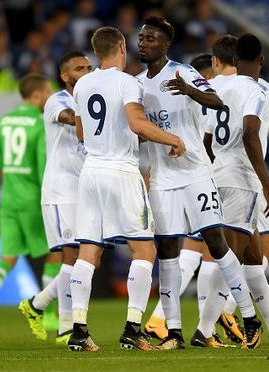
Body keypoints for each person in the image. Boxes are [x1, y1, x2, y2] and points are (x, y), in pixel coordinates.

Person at [137, 16, 262, 350]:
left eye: (150, 38)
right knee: (166, 251)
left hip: (195, 173)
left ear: (165, 44)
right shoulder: (136, 83)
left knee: (216, 242)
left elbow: (217, 102)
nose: (143, 42)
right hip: (163, 177)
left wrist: (189, 90)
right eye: (141, 37)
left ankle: (250, 319)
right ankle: (174, 332)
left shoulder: (184, 72)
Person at [67, 26, 186, 352]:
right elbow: (135, 123)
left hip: (90, 173)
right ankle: (133, 328)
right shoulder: (128, 82)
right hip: (121, 171)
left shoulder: (83, 85)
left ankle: (78, 330)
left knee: (88, 253)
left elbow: (81, 133)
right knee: (144, 251)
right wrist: (172, 138)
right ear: (121, 46)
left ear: (95, 51)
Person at [198, 34, 269, 346]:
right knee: (231, 257)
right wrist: (268, 184)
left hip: (219, 174)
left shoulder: (219, 86)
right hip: (243, 180)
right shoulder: (257, 89)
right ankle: (205, 329)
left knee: (253, 259)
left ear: (234, 61)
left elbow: (208, 140)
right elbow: (251, 133)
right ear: (261, 61)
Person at [18, 51, 93, 345]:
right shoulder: (57, 100)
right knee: (72, 257)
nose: (86, 71)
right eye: (79, 68)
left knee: (87, 258)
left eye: (89, 67)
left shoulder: (91, 100)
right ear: (65, 76)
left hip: (84, 189)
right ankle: (65, 326)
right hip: (61, 190)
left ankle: (36, 305)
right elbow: (71, 120)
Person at [0, 73, 59, 332]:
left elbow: (0, 164)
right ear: (36, 94)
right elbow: (42, 167)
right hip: (32, 198)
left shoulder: (4, 121)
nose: (48, 97)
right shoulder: (38, 123)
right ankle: (49, 314)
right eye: (46, 92)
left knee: (8, 256)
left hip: (8, 199)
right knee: (55, 252)